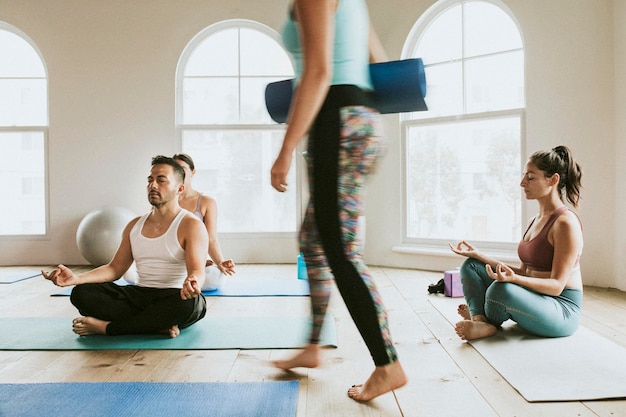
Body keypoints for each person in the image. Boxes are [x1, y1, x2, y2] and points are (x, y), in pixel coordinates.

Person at [269, 0, 407, 402]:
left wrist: (285, 150)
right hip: (363, 119)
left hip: (338, 119)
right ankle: (313, 346)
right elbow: (378, 64)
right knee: (314, 240)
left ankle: (388, 364)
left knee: (341, 251)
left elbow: (318, 71)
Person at [42, 155, 209, 338]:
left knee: (190, 305)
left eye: (161, 180)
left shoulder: (191, 225)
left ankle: (107, 328)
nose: (153, 185)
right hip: (139, 296)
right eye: (150, 180)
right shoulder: (134, 225)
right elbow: (114, 269)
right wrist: (76, 279)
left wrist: (193, 282)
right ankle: (155, 324)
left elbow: (197, 271)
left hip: (175, 296)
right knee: (82, 293)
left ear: (180, 188)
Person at [449, 145, 583, 341]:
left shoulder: (565, 223)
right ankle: (480, 321)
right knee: (472, 266)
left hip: (561, 309)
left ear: (553, 180)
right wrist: (478, 255)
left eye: (530, 177)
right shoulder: (533, 221)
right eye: (523, 176)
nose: (522, 183)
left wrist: (514, 281)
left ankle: (488, 321)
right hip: (535, 297)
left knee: (500, 289)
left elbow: (556, 286)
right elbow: (523, 272)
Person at [173, 153, 235, 291]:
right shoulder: (165, 200)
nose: (179, 172)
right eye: (175, 168)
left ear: (193, 172)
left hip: (193, 263)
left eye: (182, 168)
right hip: (170, 261)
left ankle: (191, 275)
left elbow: (211, 239)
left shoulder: (207, 202)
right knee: (132, 273)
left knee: (216, 277)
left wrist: (220, 262)